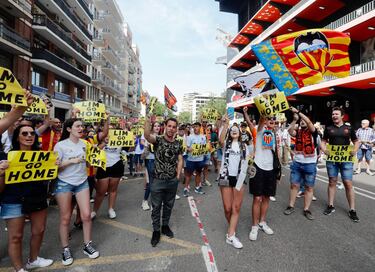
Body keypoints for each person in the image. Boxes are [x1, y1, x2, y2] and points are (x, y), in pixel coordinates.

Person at [0, 124, 54, 272]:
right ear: (17, 137)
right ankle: (19, 269)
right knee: (16, 237)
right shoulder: (8, 157)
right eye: (25, 133)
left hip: (37, 197)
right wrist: (2, 173)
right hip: (13, 199)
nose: (29, 136)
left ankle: (34, 260)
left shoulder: (42, 155)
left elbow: (49, 176)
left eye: (32, 133)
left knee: (39, 230)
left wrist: (55, 166)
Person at [54, 119, 99, 266]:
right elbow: (55, 168)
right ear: (68, 129)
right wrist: (72, 161)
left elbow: (88, 163)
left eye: (82, 126)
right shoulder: (60, 145)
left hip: (82, 182)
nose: (81, 128)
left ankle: (88, 245)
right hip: (64, 183)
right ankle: (65, 249)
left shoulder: (86, 144)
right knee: (65, 218)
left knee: (86, 215)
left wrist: (91, 160)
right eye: (77, 126)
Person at [144, 117, 183, 247]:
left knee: (168, 205)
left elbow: (180, 159)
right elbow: (147, 136)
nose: (171, 129)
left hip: (172, 181)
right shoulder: (158, 140)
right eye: (169, 126)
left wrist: (178, 175)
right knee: (156, 207)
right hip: (158, 180)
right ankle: (156, 231)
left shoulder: (178, 143)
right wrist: (147, 122)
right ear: (165, 126)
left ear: (176, 129)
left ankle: (165, 226)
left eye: (174, 127)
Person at [320, 107, 360, 222]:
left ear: (342, 116)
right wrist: (324, 149)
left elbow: (356, 141)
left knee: (348, 183)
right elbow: (323, 141)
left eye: (336, 114)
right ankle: (330, 205)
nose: (334, 116)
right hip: (332, 159)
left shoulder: (349, 128)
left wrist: (355, 150)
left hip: (346, 160)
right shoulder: (328, 128)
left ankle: (352, 209)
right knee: (332, 181)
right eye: (333, 114)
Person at [217, 116, 249, 249]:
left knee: (236, 208)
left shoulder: (245, 146)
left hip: (239, 178)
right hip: (225, 177)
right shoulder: (225, 144)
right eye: (232, 130)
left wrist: (242, 180)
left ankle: (231, 235)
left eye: (237, 129)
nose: (234, 131)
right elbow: (220, 139)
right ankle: (232, 227)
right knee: (227, 208)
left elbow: (246, 163)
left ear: (240, 132)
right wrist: (226, 124)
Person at [246, 114, 279, 241]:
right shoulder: (259, 131)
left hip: (271, 169)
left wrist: (278, 171)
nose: (271, 121)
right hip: (258, 167)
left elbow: (276, 153)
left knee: (266, 197)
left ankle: (262, 222)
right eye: (269, 119)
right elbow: (260, 122)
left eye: (273, 120)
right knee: (257, 198)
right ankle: (254, 226)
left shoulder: (275, 134)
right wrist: (263, 116)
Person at [283, 107, 318, 220]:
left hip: (310, 164)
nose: (302, 122)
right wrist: (294, 119)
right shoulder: (297, 131)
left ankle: (306, 209)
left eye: (304, 120)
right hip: (297, 163)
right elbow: (289, 131)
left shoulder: (313, 132)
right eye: (300, 121)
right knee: (294, 185)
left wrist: (298, 112)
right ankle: (291, 206)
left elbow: (308, 121)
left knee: (309, 187)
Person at [91, 136, 124, 219]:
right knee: (100, 191)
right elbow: (96, 150)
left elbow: (130, 149)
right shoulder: (101, 140)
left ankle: (111, 209)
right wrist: (104, 143)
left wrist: (132, 142)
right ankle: (94, 211)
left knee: (113, 190)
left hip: (117, 165)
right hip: (103, 166)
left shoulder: (120, 139)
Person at [142, 122, 161, 211]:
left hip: (159, 161)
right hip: (150, 160)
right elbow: (145, 149)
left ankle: (154, 202)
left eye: (158, 126)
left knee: (158, 182)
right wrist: (148, 145)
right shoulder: (148, 136)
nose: (157, 127)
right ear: (152, 127)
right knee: (151, 182)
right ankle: (145, 201)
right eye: (155, 126)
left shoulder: (162, 137)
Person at [184, 122, 206, 197]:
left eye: (197, 127)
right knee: (188, 174)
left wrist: (207, 148)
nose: (195, 128)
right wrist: (189, 149)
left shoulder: (203, 137)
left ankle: (197, 187)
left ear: (200, 127)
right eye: (194, 127)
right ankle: (186, 188)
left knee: (198, 174)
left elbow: (205, 147)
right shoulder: (190, 137)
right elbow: (186, 147)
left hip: (200, 159)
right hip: (191, 159)